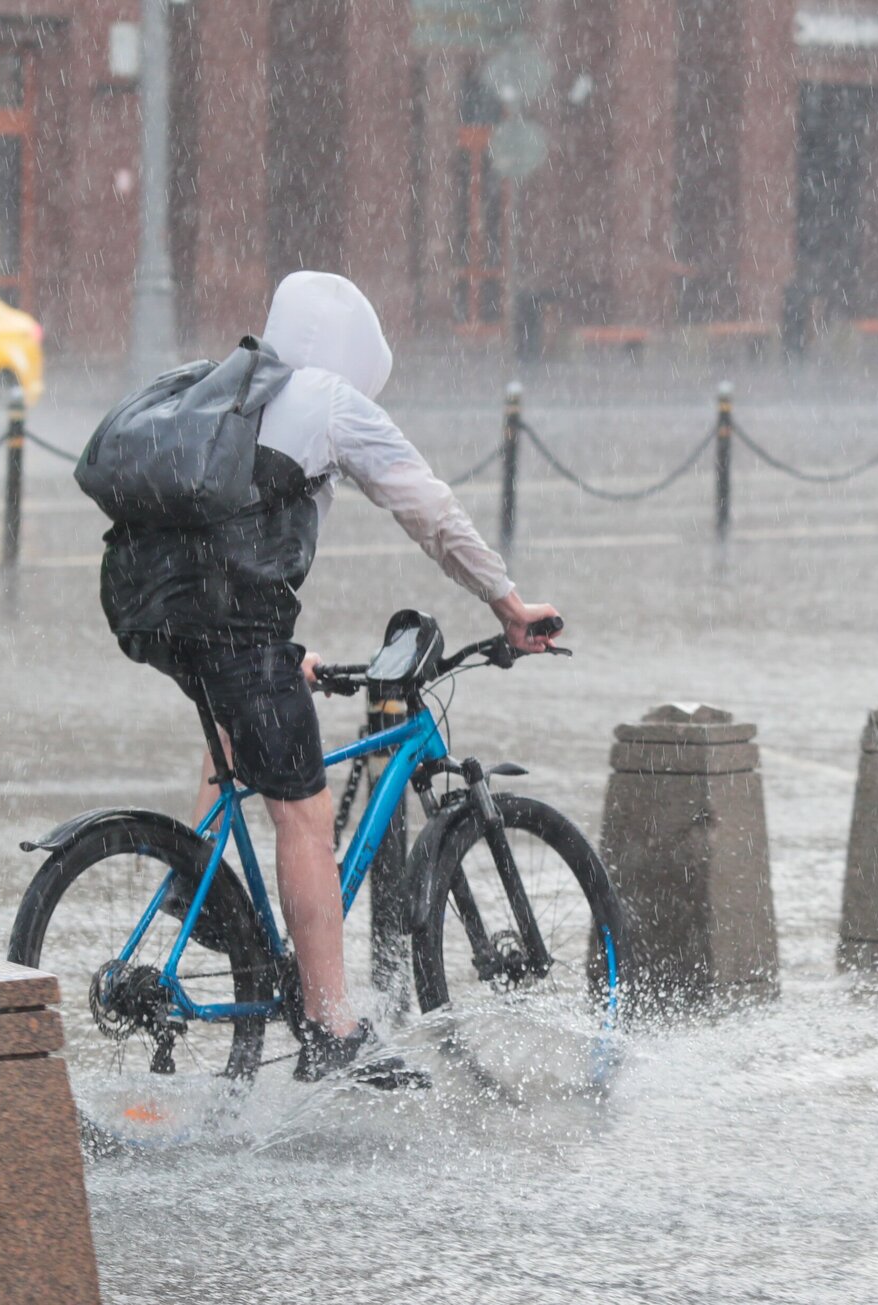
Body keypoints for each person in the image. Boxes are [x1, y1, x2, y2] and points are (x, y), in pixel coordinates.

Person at [101, 271, 559, 1084]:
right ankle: (330, 1024)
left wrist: (286, 652)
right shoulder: (331, 401)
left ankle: (200, 893)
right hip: (227, 619)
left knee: (240, 723)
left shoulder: (230, 388)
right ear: (354, 351)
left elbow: (224, 534)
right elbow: (430, 509)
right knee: (306, 812)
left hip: (153, 607)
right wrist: (507, 601)